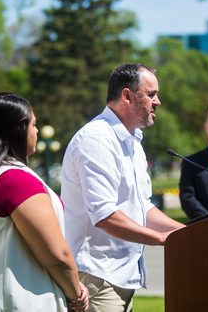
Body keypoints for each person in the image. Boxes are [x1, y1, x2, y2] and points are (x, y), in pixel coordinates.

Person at [61, 63, 185, 311]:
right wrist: (162, 239)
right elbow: (104, 215)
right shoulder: (96, 140)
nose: (158, 102)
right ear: (127, 96)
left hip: (121, 277)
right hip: (97, 279)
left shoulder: (133, 141)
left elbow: (143, 208)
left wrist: (187, 233)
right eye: (151, 94)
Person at [0, 93, 88, 312]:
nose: (37, 131)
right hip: (20, 302)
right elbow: (56, 255)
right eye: (34, 124)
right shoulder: (15, 180)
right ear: (19, 129)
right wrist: (75, 292)